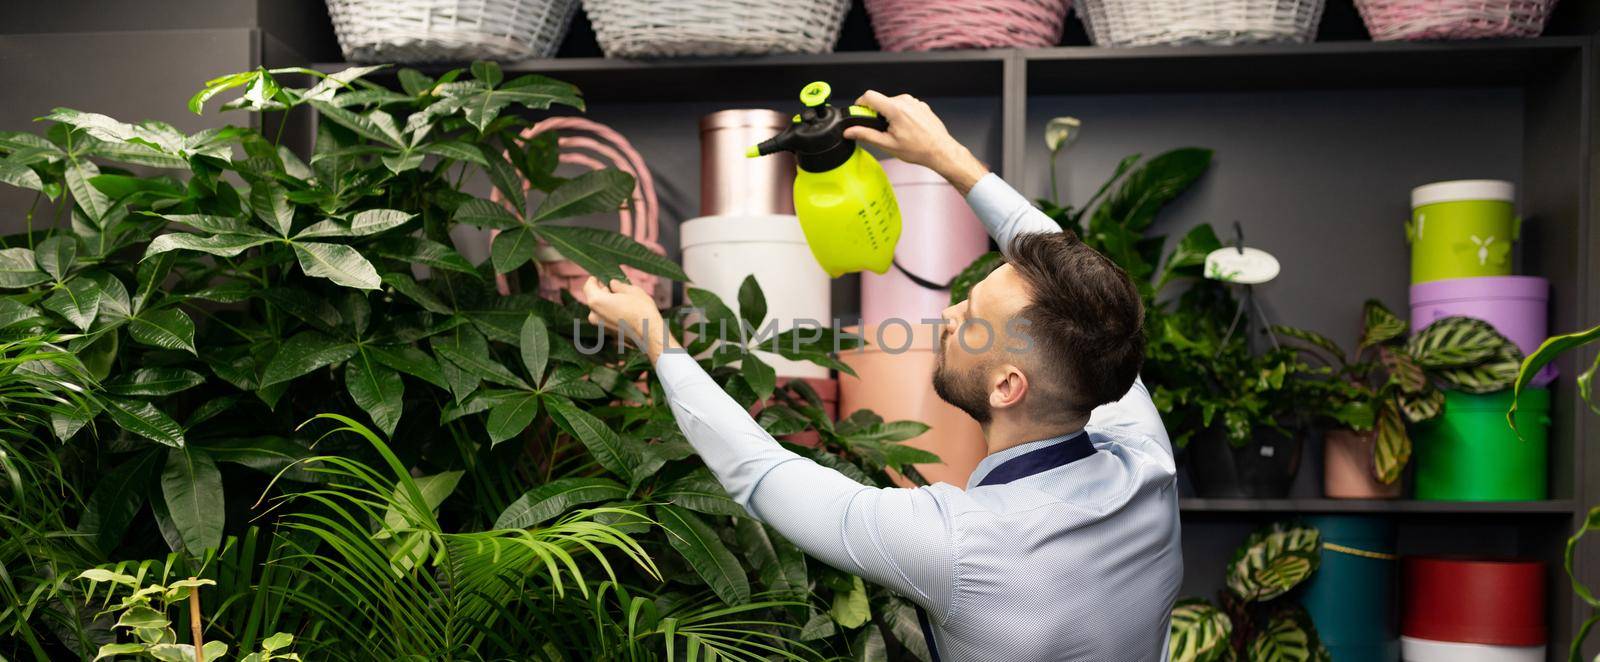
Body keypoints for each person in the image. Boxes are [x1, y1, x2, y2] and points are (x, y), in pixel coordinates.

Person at [582, 91, 1181, 662]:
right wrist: (943, 155)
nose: (947, 316)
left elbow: (762, 474)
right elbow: (1059, 267)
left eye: (971, 319)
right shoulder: (1141, 449)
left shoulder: (955, 545)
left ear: (1007, 387)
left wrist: (653, 337)